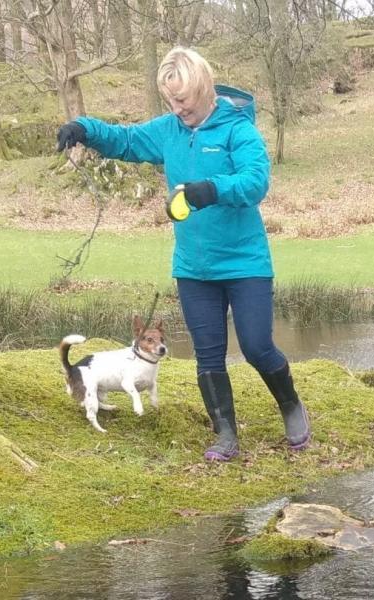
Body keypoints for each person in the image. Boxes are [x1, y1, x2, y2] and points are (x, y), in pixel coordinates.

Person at [55, 47, 310, 461]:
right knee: (208, 353)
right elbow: (126, 139)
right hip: (194, 267)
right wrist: (82, 128)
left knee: (257, 346)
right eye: (170, 100)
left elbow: (255, 181)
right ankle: (225, 434)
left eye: (183, 99)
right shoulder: (169, 130)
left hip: (245, 263)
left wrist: (210, 189)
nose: (177, 108)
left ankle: (291, 406)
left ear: (204, 89)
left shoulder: (237, 130)